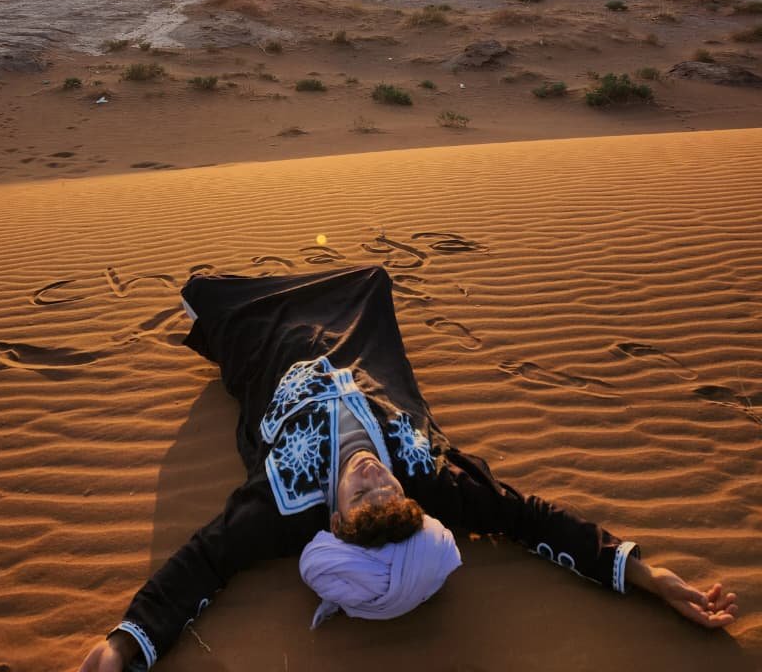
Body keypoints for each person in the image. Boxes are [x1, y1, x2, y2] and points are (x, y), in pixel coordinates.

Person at [78, 266, 737, 671]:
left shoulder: (282, 507)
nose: (373, 475)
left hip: (274, 350)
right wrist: (650, 576)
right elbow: (530, 519)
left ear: (336, 523)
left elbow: (203, 563)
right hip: (361, 337)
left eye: (365, 495)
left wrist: (123, 646)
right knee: (371, 276)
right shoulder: (429, 484)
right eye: (386, 488)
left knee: (207, 299)